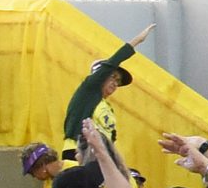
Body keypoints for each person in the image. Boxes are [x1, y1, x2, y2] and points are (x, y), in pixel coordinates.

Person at [61, 21, 157, 160]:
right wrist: (137, 41)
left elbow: (110, 137)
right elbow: (113, 62)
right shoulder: (87, 92)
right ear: (100, 76)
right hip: (77, 152)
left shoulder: (106, 107)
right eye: (112, 77)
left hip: (98, 156)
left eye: (118, 81)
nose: (115, 83)